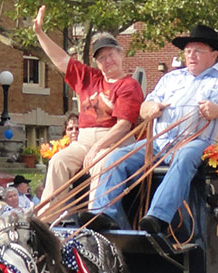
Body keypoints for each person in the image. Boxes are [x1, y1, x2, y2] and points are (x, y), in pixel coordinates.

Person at [90, 24, 218, 234]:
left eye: (198, 51)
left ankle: (158, 217)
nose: (191, 55)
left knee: (186, 154)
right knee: (116, 156)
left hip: (200, 143)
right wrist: (149, 108)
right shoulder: (171, 78)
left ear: (214, 55)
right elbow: (144, 107)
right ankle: (105, 215)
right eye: (188, 51)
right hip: (160, 143)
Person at [33, 6, 144, 215]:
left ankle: (95, 220)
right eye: (101, 58)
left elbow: (123, 125)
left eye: (111, 55)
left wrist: (97, 148)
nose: (107, 61)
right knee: (58, 160)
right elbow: (60, 59)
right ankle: (48, 220)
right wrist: (40, 33)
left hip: (114, 143)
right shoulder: (90, 78)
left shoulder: (128, 85)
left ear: (121, 55)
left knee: (102, 163)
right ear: (96, 62)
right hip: (84, 141)